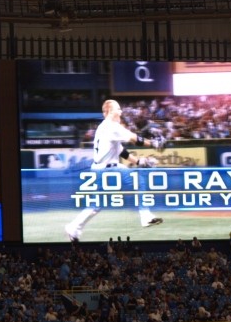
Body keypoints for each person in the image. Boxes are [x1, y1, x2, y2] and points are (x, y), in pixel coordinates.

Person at [64, 99, 165, 242]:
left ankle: (73, 228)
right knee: (139, 180)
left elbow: (121, 151)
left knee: (95, 206)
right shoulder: (111, 126)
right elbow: (133, 138)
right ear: (110, 111)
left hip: (102, 168)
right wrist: (153, 143)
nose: (121, 111)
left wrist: (138, 161)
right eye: (118, 109)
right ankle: (145, 216)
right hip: (106, 170)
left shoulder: (104, 127)